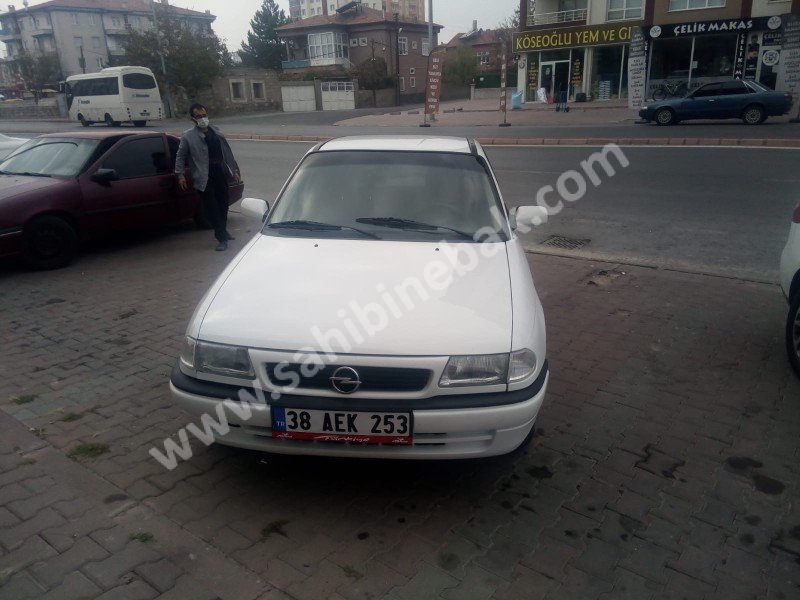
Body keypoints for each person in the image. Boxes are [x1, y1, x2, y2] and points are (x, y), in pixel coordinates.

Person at [175, 103, 241, 251]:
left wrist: (234, 171)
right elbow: (180, 156)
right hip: (204, 176)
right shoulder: (188, 136)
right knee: (212, 208)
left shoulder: (216, 131)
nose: (203, 118)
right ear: (193, 119)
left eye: (204, 115)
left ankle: (223, 231)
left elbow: (227, 153)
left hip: (219, 172)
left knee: (223, 204)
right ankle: (221, 238)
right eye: (199, 116)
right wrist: (180, 175)